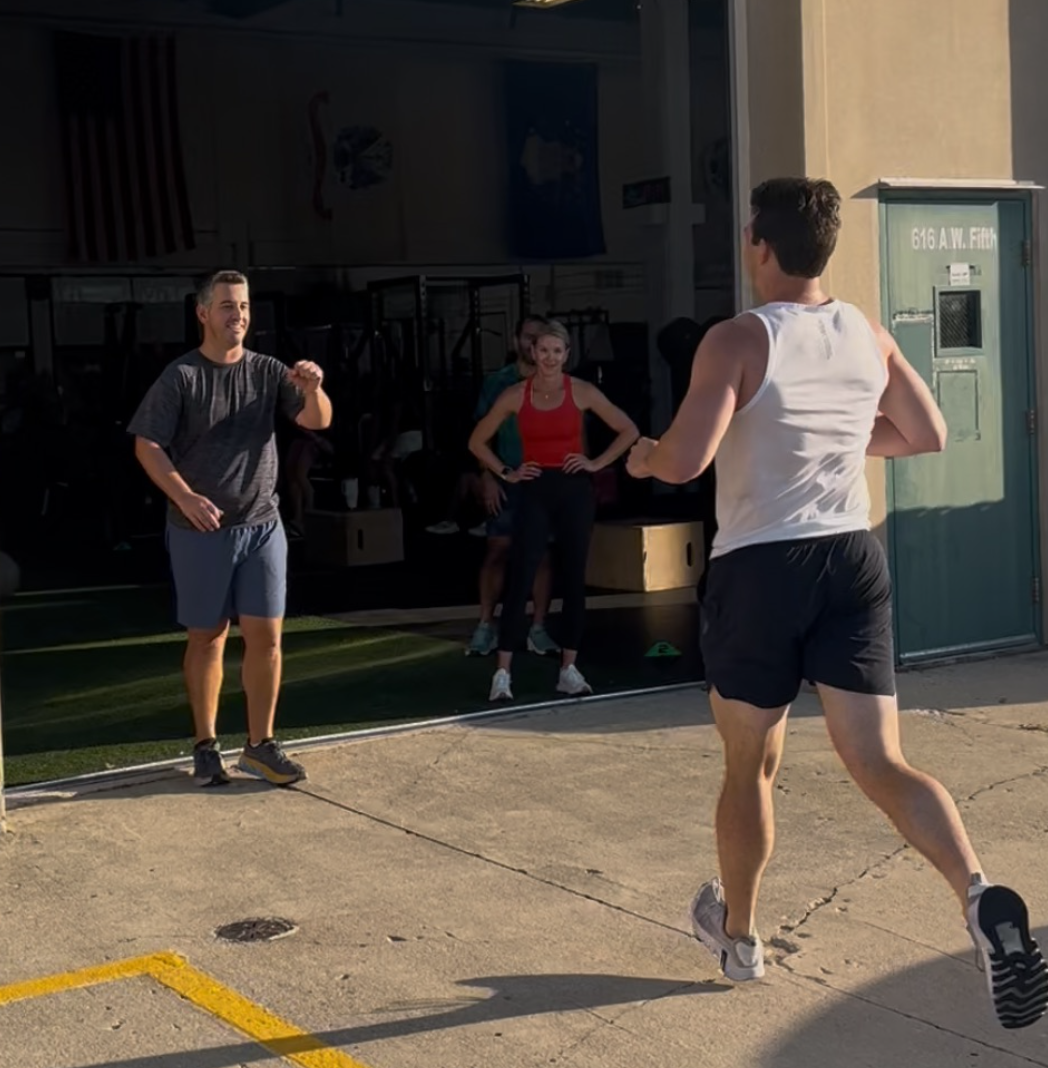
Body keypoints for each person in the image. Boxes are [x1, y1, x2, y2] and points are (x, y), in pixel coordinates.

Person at [626, 178, 1047, 1030]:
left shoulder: (737, 339)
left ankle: (739, 941)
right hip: (853, 556)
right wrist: (843, 443)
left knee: (751, 766)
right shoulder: (865, 331)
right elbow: (926, 433)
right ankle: (978, 893)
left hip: (761, 568)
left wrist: (639, 458)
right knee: (881, 763)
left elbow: (683, 462)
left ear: (759, 244)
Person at [129, 270, 333, 788]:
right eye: (226, 306)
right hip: (200, 528)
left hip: (262, 523)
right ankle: (205, 745)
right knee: (209, 637)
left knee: (267, 639)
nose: (236, 316)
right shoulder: (181, 377)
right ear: (203, 313)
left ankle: (260, 747)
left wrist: (315, 389)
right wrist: (185, 496)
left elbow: (317, 421)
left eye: (242, 306)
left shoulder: (268, 371)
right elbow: (146, 445)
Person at [470, 320, 638, 702]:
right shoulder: (515, 394)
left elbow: (628, 429)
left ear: (566, 355)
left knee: (574, 576)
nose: (549, 357)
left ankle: (569, 669)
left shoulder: (582, 391)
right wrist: (507, 473)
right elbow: (477, 440)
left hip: (573, 488)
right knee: (522, 574)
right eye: (542, 350)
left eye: (556, 351)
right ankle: (502, 673)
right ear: (532, 352)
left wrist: (596, 462)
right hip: (534, 488)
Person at [467, 317, 559, 658]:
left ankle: (538, 628)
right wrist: (488, 476)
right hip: (507, 477)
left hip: (547, 479)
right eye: (528, 337)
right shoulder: (499, 383)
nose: (533, 343)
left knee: (543, 555)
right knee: (498, 550)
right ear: (517, 339)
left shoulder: (559, 383)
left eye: (541, 337)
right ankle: (486, 625)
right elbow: (481, 434)